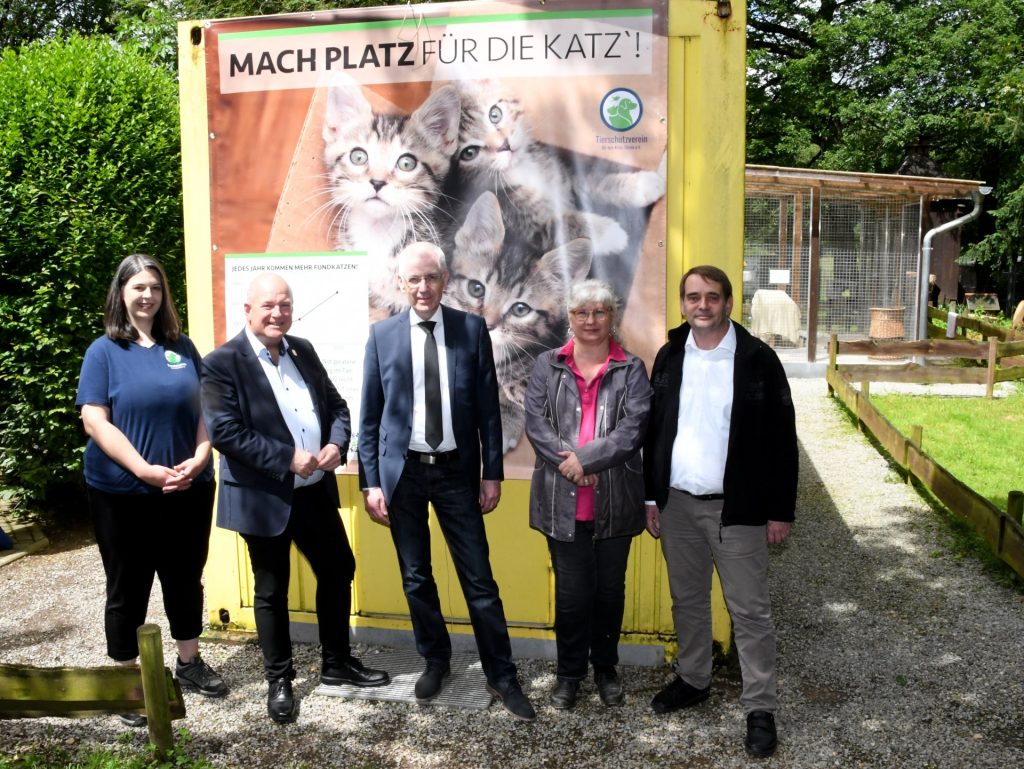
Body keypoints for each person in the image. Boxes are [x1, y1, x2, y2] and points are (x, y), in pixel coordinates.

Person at [358, 241, 536, 721]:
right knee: (416, 578)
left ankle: (502, 675)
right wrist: (371, 482)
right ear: (402, 283)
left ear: (444, 279)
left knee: (479, 579)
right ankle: (436, 660)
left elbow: (487, 413)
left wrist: (492, 473)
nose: (422, 287)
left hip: (457, 473)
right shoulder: (383, 337)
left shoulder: (470, 330)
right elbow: (369, 418)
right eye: (414, 279)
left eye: (431, 278)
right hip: (404, 476)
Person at [201, 273, 388, 725]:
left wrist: (335, 446)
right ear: (248, 310)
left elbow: (338, 408)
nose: (277, 313)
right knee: (271, 590)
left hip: (312, 492)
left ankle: (337, 663)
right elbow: (225, 432)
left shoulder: (302, 349)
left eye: (285, 305)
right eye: (268, 305)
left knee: (339, 568)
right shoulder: (222, 363)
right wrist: (288, 459)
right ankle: (279, 680)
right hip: (263, 496)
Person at [643, 265, 797, 758]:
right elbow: (654, 433)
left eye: (712, 297)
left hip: (740, 509)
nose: (702, 305)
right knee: (687, 600)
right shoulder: (670, 356)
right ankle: (693, 679)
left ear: (729, 303)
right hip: (678, 505)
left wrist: (779, 510)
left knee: (749, 610)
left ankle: (760, 708)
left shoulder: (757, 359)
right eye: (693, 297)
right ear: (683, 304)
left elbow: (782, 441)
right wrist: (652, 498)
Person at [76, 254, 227, 728]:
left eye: (155, 288)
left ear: (165, 296)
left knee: (186, 576)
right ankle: (128, 679)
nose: (147, 296)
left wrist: (203, 454)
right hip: (123, 493)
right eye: (138, 287)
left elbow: (209, 406)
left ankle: (189, 662)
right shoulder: (104, 351)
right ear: (121, 293)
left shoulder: (182, 346)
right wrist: (144, 469)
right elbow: (94, 419)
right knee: (128, 584)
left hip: (189, 486)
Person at [523, 280, 652, 710]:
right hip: (562, 501)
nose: (591, 320)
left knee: (609, 592)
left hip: (614, 500)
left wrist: (587, 461)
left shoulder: (631, 368)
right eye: (582, 313)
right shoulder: (547, 364)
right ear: (570, 318)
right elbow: (536, 423)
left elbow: (633, 428)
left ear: (611, 316)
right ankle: (569, 675)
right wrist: (573, 466)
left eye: (599, 312)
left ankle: (606, 669)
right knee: (573, 595)